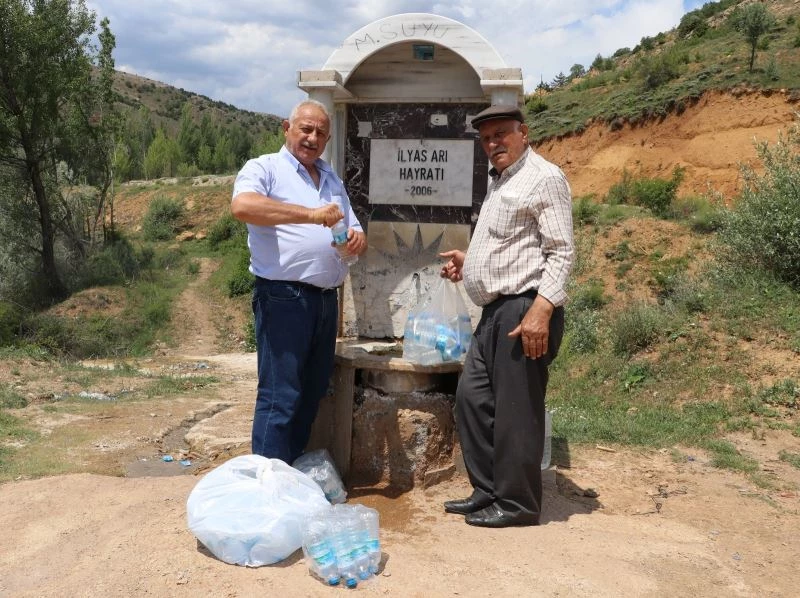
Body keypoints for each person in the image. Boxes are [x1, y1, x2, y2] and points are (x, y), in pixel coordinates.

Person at [439, 104, 574, 527]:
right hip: (495, 311)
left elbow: (561, 251)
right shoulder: (501, 181)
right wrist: (470, 264)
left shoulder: (544, 177)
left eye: (501, 134)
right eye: (486, 138)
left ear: (523, 133)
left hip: (525, 310)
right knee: (472, 399)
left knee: (517, 410)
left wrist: (542, 309)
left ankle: (517, 504)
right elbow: (513, 246)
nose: (493, 143)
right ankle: (488, 490)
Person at [231, 99, 367, 464]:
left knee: (311, 393)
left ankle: (288, 474)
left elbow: (353, 227)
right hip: (283, 298)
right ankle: (266, 483)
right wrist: (310, 214)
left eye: (321, 133)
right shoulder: (265, 168)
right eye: (306, 129)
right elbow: (243, 206)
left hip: (325, 301)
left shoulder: (332, 179)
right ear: (286, 128)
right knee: (281, 395)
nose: (312, 138)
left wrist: (357, 239)